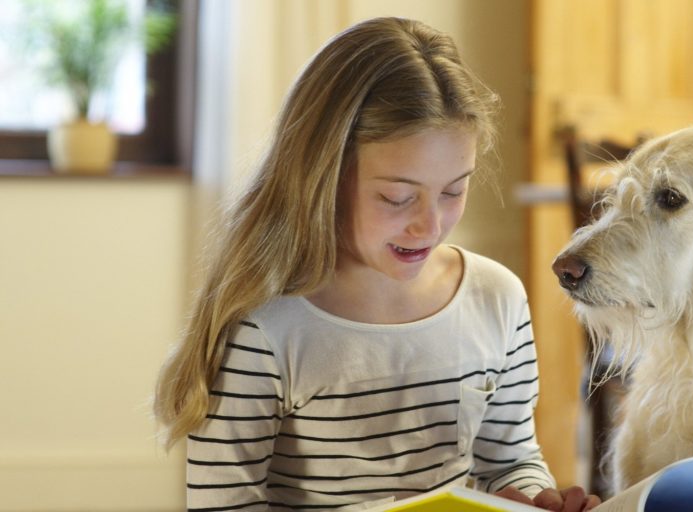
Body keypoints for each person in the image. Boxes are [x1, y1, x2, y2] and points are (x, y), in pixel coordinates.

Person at [153, 16, 600, 512]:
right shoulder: (265, 328)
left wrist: (532, 497)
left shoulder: (497, 298)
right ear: (323, 176)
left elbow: (509, 461)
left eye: (454, 190)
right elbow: (224, 504)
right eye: (397, 197)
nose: (429, 225)